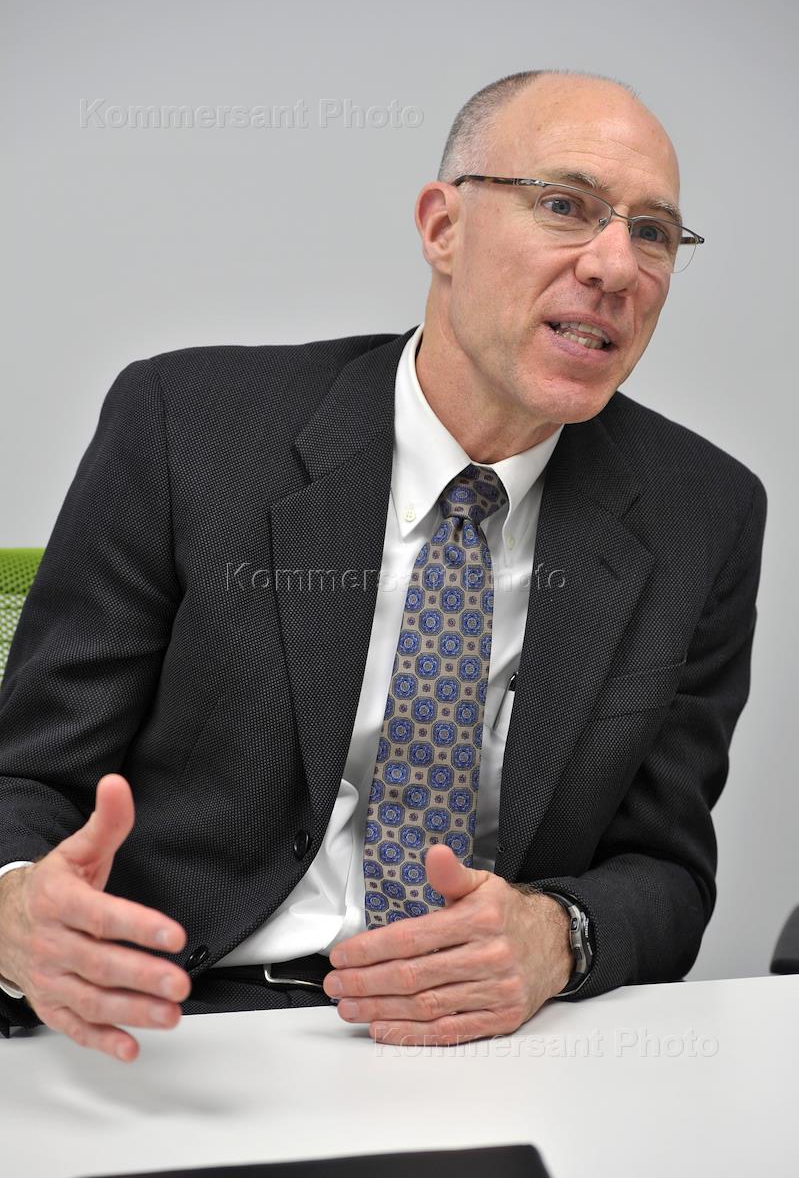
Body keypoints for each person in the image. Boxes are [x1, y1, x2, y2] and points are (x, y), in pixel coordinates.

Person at [0, 69, 766, 1063]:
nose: (616, 266)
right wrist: (18, 905)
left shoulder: (701, 513)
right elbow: (25, 776)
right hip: (175, 1027)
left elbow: (664, 875)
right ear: (442, 228)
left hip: (487, 1042)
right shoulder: (187, 427)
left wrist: (557, 937)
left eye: (653, 232)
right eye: (564, 206)